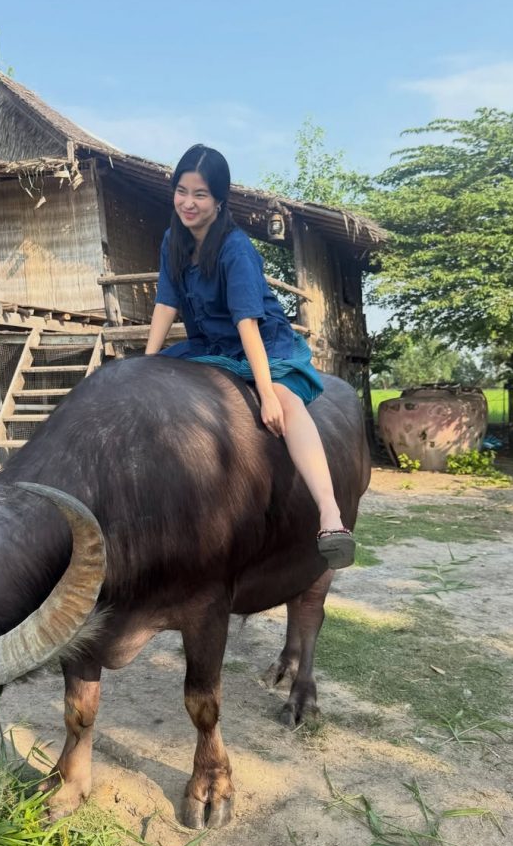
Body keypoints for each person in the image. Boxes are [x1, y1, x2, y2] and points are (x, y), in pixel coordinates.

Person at [144, 143, 356, 569]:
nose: (188, 202)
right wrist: (143, 365)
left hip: (259, 344)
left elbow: (247, 324)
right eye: (181, 191)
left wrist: (267, 393)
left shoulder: (236, 248)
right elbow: (166, 303)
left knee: (286, 402)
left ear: (219, 200)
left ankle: (330, 514)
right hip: (209, 348)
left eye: (200, 194)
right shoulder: (173, 240)